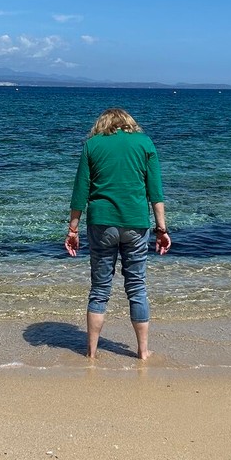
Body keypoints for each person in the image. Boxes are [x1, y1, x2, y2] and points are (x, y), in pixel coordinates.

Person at [64, 107, 171, 360]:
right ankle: (143, 352)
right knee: (137, 287)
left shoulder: (92, 145)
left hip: (101, 224)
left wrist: (72, 228)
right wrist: (162, 229)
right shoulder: (144, 143)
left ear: (103, 124)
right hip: (135, 223)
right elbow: (155, 192)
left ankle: (91, 352)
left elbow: (80, 191)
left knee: (100, 289)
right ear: (129, 123)